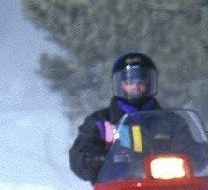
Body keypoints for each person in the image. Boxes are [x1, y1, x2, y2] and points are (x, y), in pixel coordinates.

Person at [68, 53, 164, 182]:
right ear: (120, 84)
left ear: (150, 82)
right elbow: (78, 157)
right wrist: (95, 159)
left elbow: (195, 154)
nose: (135, 86)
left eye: (141, 80)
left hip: (163, 189)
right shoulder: (100, 122)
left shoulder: (169, 122)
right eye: (129, 81)